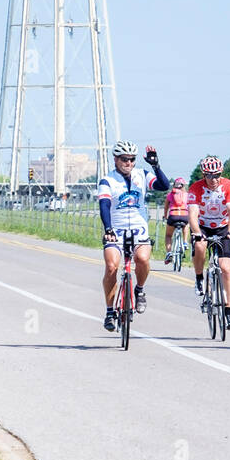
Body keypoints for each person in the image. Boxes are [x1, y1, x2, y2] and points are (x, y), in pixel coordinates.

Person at [98, 140, 169, 329]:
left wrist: (155, 165)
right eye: (124, 159)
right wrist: (108, 229)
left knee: (143, 259)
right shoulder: (108, 180)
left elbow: (164, 186)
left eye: (132, 159)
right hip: (116, 230)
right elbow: (104, 205)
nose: (128, 163)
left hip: (139, 229)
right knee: (112, 266)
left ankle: (139, 290)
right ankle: (110, 311)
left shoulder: (142, 175)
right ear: (115, 159)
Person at [186, 157, 230, 330]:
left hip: (223, 227)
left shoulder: (229, 186)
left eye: (217, 175)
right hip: (202, 226)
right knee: (200, 246)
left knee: (226, 268)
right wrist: (196, 233)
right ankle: (199, 278)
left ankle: (228, 312)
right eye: (210, 176)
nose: (214, 179)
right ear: (204, 175)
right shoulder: (195, 188)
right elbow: (193, 215)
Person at [162, 177, 191, 263]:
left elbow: (166, 207)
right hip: (184, 216)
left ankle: (169, 252)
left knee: (168, 235)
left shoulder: (170, 195)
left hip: (173, 216)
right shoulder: (187, 195)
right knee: (186, 225)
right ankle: (185, 242)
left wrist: (165, 216)